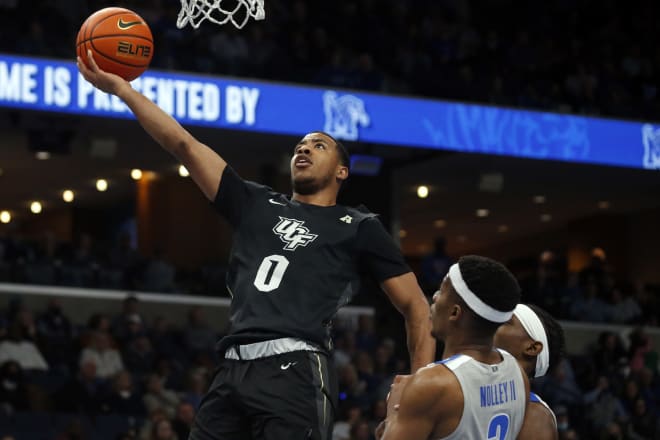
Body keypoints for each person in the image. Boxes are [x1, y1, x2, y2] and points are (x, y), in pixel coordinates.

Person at [77, 51, 434, 440]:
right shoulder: (255, 202)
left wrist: (417, 392)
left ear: (341, 171)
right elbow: (183, 144)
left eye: (318, 145)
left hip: (297, 369)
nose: (304, 148)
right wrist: (123, 91)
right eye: (300, 145)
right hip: (233, 368)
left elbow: (416, 306)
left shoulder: (358, 225)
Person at [380, 255, 529, 439]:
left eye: (442, 291)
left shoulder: (433, 384)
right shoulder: (517, 372)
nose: (434, 296)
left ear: (454, 312)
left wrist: (393, 415)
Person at [494, 303, 566, 440]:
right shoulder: (464, 383)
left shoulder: (536, 417)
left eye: (504, 321)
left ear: (532, 348)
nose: (490, 324)